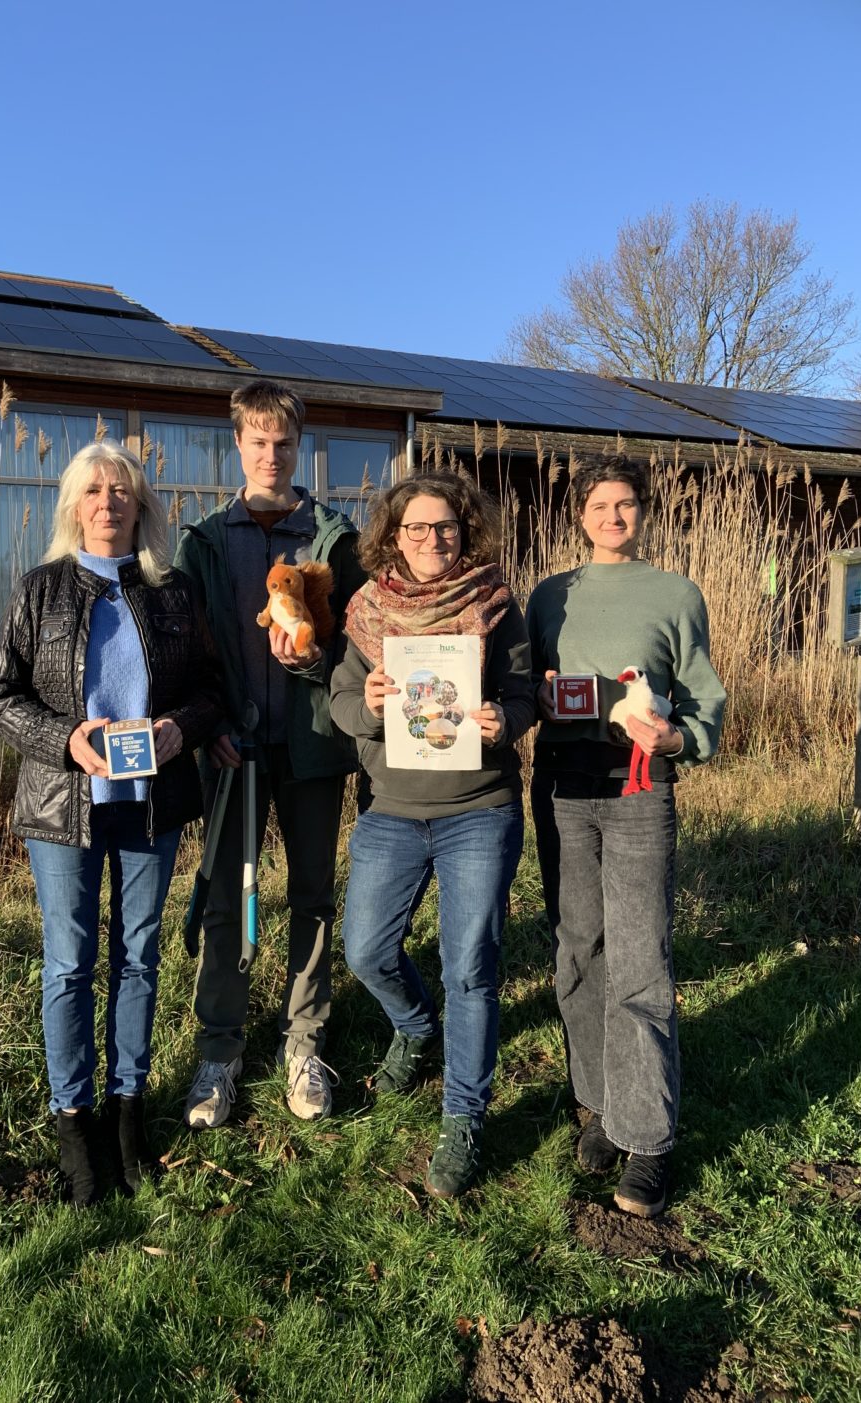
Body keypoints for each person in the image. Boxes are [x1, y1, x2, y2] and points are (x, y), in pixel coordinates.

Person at [0, 440, 222, 1206]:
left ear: (142, 505)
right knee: (70, 961)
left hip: (151, 804)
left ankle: (128, 1109)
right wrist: (64, 739)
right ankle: (73, 1120)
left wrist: (181, 729)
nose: (109, 501)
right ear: (73, 505)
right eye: (94, 489)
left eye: (123, 490)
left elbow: (214, 688)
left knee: (140, 957)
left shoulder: (172, 591)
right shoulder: (41, 590)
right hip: (62, 807)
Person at [524, 452, 726, 1218]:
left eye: (627, 504)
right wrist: (534, 698)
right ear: (579, 513)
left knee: (640, 957)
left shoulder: (675, 594)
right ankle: (599, 1101)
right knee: (579, 948)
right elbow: (524, 688)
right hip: (563, 790)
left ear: (644, 511)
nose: (614, 516)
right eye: (600, 504)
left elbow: (706, 696)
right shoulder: (550, 597)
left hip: (641, 791)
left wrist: (678, 740)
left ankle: (648, 1136)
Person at [330, 472, 534, 1198]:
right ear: (393, 534)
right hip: (391, 806)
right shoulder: (369, 609)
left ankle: (463, 1115)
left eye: (444, 526)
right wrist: (370, 701)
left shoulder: (494, 602)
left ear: (464, 529)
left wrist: (503, 720)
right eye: (416, 528)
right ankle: (415, 1027)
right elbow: (341, 700)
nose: (431, 540)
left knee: (470, 964)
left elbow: (523, 690)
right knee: (365, 949)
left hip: (478, 806)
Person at [175, 380, 366, 1127]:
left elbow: (355, 644)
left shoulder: (332, 538)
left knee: (313, 896)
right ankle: (219, 1049)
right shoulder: (206, 541)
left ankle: (305, 1041)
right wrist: (209, 722)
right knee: (228, 899)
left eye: (283, 441)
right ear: (238, 445)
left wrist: (311, 665)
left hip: (314, 748)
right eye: (257, 440)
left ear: (298, 444)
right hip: (230, 750)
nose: (270, 453)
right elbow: (186, 650)